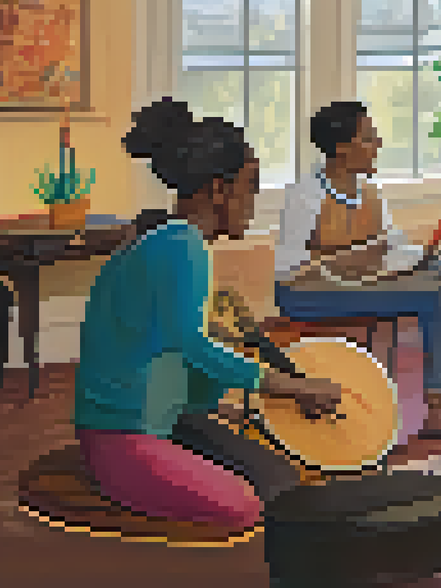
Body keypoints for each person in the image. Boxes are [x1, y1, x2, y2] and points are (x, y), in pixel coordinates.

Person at [74, 98, 341, 530]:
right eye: (250, 186)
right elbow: (192, 345)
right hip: (121, 436)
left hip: (157, 420)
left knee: (282, 481)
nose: (253, 201)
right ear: (219, 190)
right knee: (247, 507)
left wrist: (216, 406)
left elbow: (167, 350)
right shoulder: (183, 246)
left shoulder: (163, 239)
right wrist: (292, 387)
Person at [273, 101, 441, 442]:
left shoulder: (371, 191)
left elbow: (390, 242)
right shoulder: (306, 194)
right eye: (368, 138)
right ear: (340, 149)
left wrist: (417, 258)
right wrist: (355, 258)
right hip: (307, 292)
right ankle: (440, 404)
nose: (378, 144)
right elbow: (289, 267)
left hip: (359, 284)